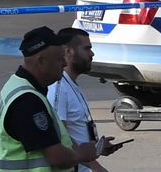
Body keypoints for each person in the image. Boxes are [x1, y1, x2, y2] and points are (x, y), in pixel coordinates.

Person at [0, 28, 80, 172]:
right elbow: (58, 158)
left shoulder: (17, 86)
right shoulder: (27, 101)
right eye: (59, 58)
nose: (65, 63)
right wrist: (82, 154)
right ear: (41, 61)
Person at [47, 28, 121, 170]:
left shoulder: (70, 84)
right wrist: (95, 166)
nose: (92, 54)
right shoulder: (58, 88)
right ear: (68, 51)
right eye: (87, 49)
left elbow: (75, 132)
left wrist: (97, 147)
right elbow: (60, 137)